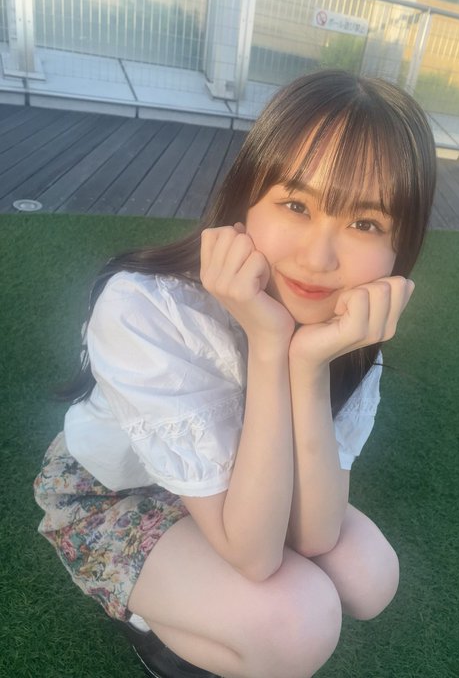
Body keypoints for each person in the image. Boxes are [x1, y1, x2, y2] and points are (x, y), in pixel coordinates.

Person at [34, 69, 436, 678]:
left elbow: (315, 536)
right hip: (120, 490)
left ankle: (200, 602)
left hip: (249, 493)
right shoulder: (147, 308)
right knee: (296, 622)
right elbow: (255, 556)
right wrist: (269, 341)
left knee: (369, 575)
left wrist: (308, 362)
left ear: (398, 249)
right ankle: (153, 626)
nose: (318, 258)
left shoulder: (350, 324)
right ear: (246, 200)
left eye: (365, 224)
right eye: (296, 205)